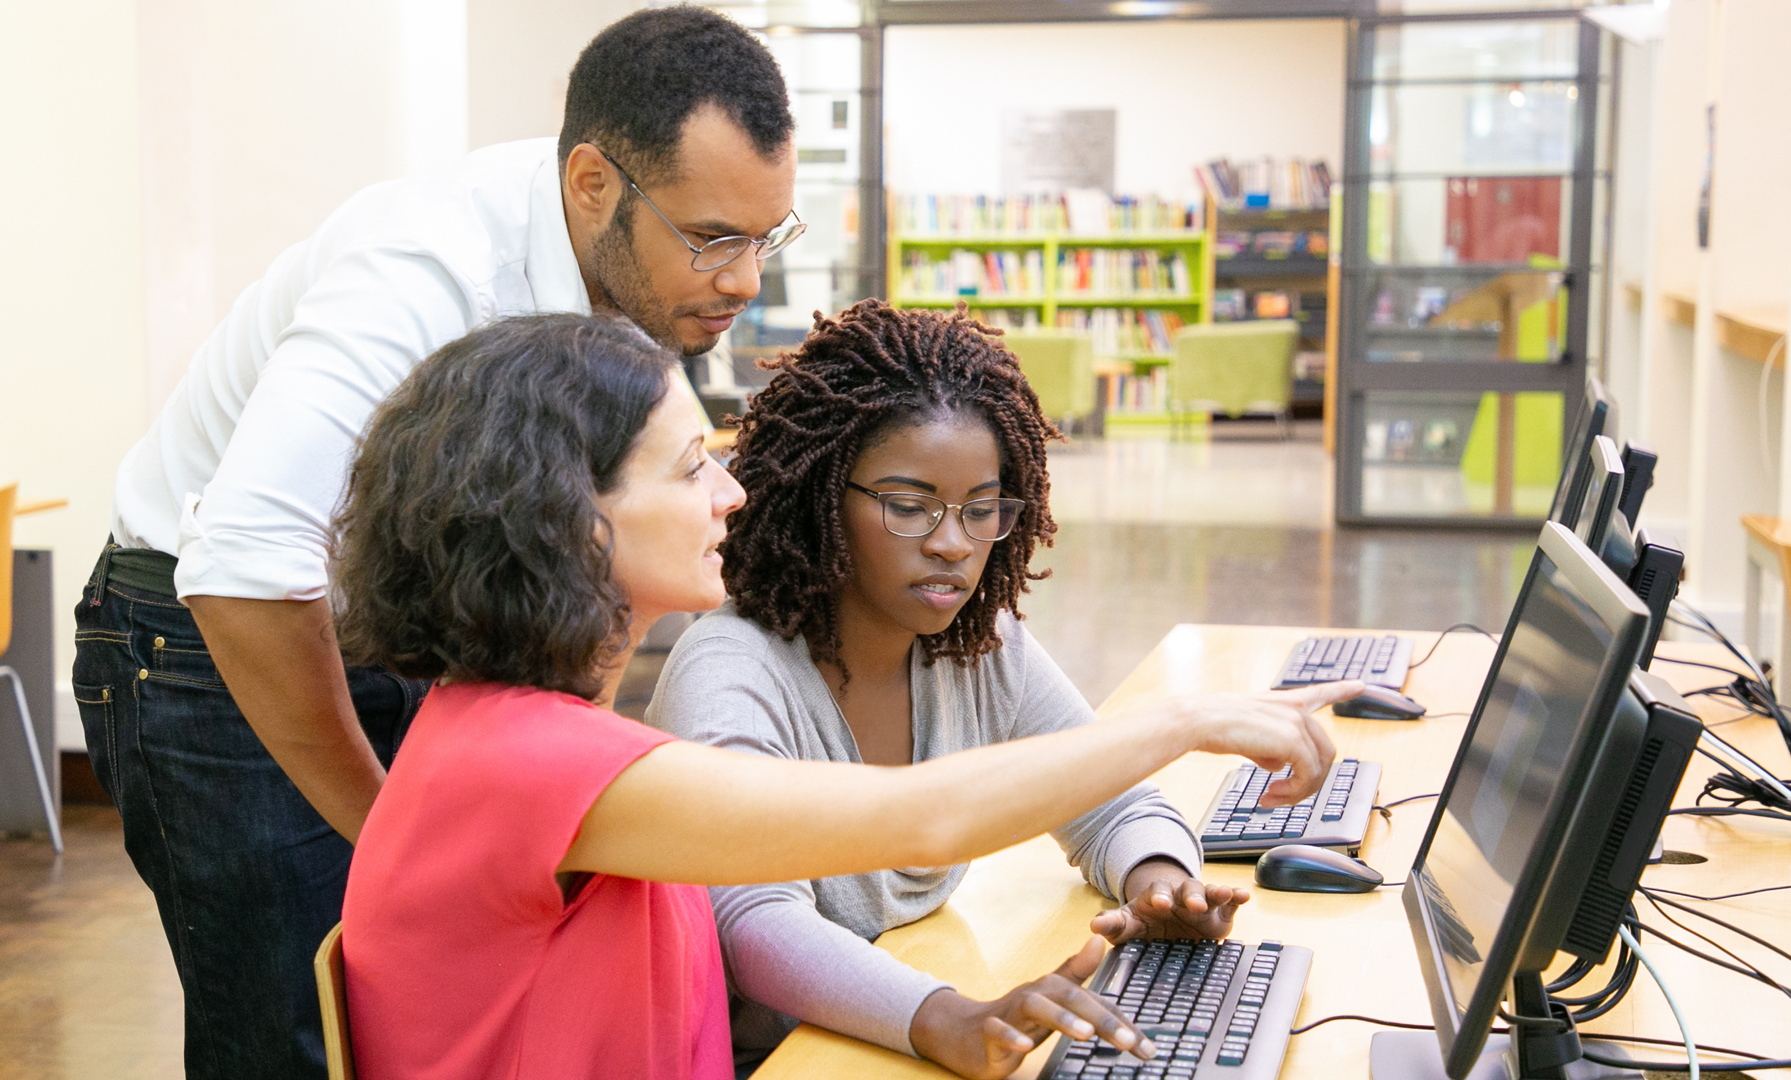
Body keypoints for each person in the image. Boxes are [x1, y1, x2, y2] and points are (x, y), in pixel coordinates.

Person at [334, 313, 1358, 1079]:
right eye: (694, 468)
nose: (732, 494)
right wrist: (1184, 720)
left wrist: (1151, 868)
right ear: (572, 517)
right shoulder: (537, 761)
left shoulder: (505, 731)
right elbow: (923, 815)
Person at [71, 8, 803, 1076]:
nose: (743, 280)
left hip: (368, 622)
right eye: (712, 239)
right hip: (200, 636)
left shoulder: (624, 273)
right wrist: (396, 838)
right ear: (594, 182)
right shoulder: (428, 266)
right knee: (298, 1028)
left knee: (412, 1008)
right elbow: (239, 564)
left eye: (765, 238)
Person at [643, 301, 1344, 1078]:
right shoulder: (731, 667)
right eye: (910, 507)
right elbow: (752, 919)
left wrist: (1161, 885)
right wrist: (944, 1017)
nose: (952, 544)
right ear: (819, 496)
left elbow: (1109, 798)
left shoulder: (977, 642)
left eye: (982, 511)